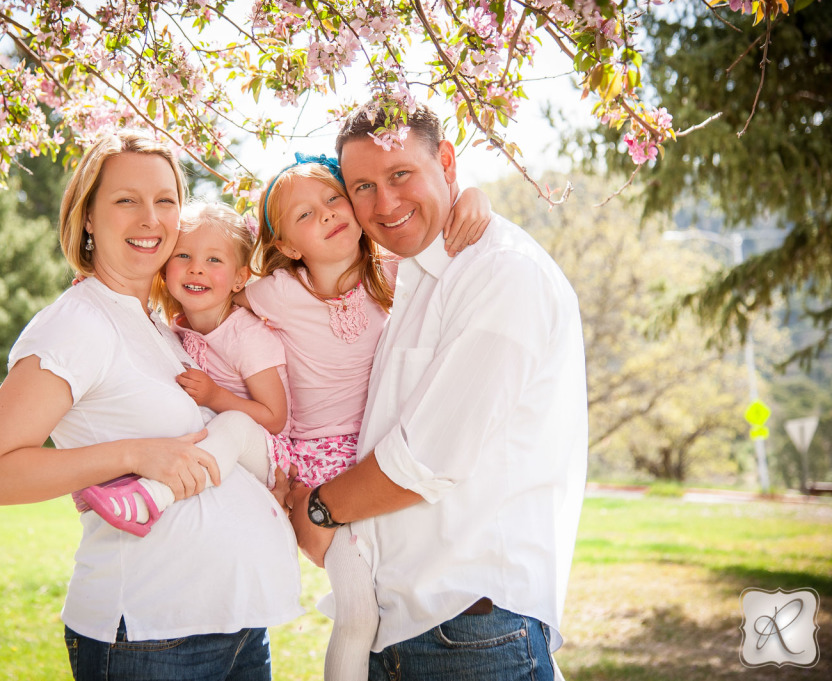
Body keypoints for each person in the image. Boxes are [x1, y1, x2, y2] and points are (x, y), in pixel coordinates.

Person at [0, 129, 302, 681]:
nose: (151, 219)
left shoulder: (162, 325)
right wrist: (135, 454)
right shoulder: (78, 324)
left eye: (165, 200)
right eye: (127, 200)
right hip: (153, 636)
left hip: (236, 627)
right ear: (88, 216)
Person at [286, 101, 588, 681]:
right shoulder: (417, 274)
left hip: (471, 634)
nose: (385, 204)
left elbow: (424, 460)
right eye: (363, 187)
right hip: (410, 631)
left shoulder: (501, 273)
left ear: (447, 161)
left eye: (401, 175)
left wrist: (319, 508)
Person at [239, 155, 492, 681]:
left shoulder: (393, 274)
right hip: (316, 465)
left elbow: (448, 230)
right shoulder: (275, 294)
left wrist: (474, 196)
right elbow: (207, 285)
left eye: (334, 199)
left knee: (394, 593)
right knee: (357, 612)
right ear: (286, 245)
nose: (329, 214)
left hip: (378, 461)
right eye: (305, 215)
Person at [75, 200, 292, 535]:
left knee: (232, 423)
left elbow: (276, 418)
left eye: (214, 259)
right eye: (184, 256)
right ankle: (106, 481)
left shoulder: (247, 336)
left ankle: (151, 498)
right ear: (164, 267)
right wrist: (101, 295)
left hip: (265, 451)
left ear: (239, 278)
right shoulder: (175, 328)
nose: (196, 269)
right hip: (216, 449)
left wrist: (215, 396)